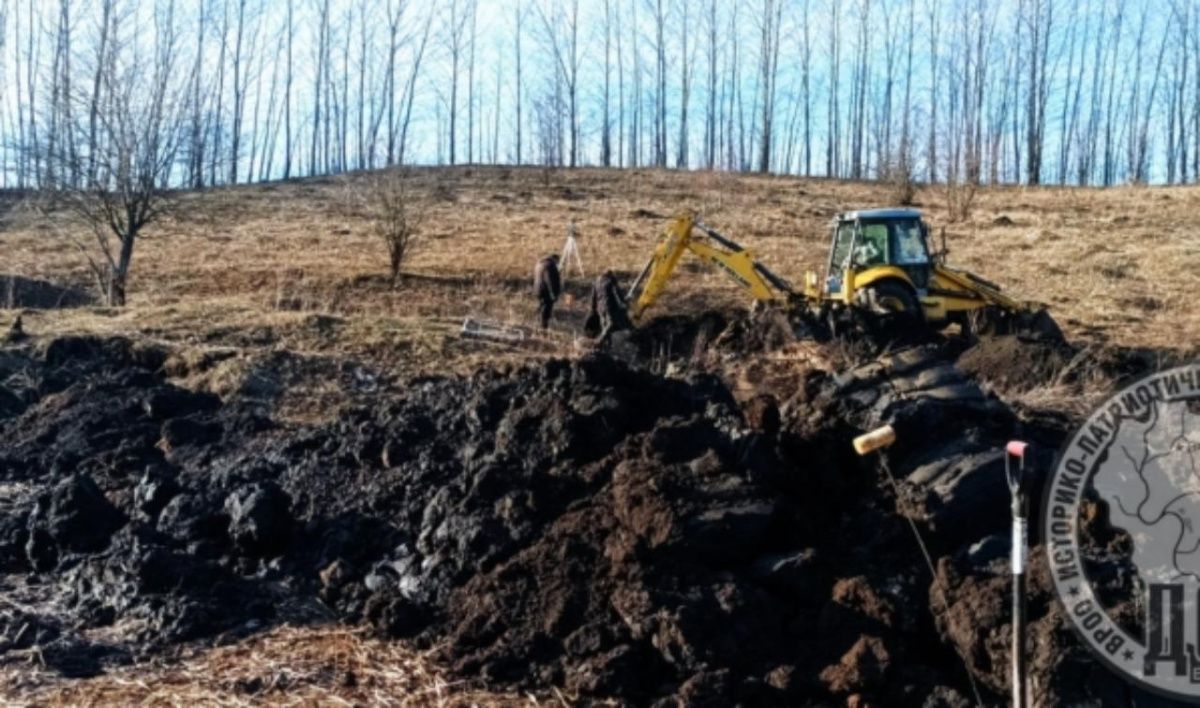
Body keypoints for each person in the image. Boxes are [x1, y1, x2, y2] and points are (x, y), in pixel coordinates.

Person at [589, 270, 632, 343]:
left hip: (600, 308)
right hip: (609, 307)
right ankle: (600, 340)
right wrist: (623, 303)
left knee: (604, 326)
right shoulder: (611, 282)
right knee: (611, 324)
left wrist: (593, 308)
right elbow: (617, 294)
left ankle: (607, 345)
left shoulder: (597, 282)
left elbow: (593, 296)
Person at [533, 254, 562, 329]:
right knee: (546, 309)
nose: (557, 264)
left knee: (541, 306)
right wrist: (553, 294)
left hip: (538, 289)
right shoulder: (550, 266)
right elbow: (549, 280)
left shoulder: (540, 264)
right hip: (546, 292)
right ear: (555, 259)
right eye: (557, 262)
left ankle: (537, 322)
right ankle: (543, 326)